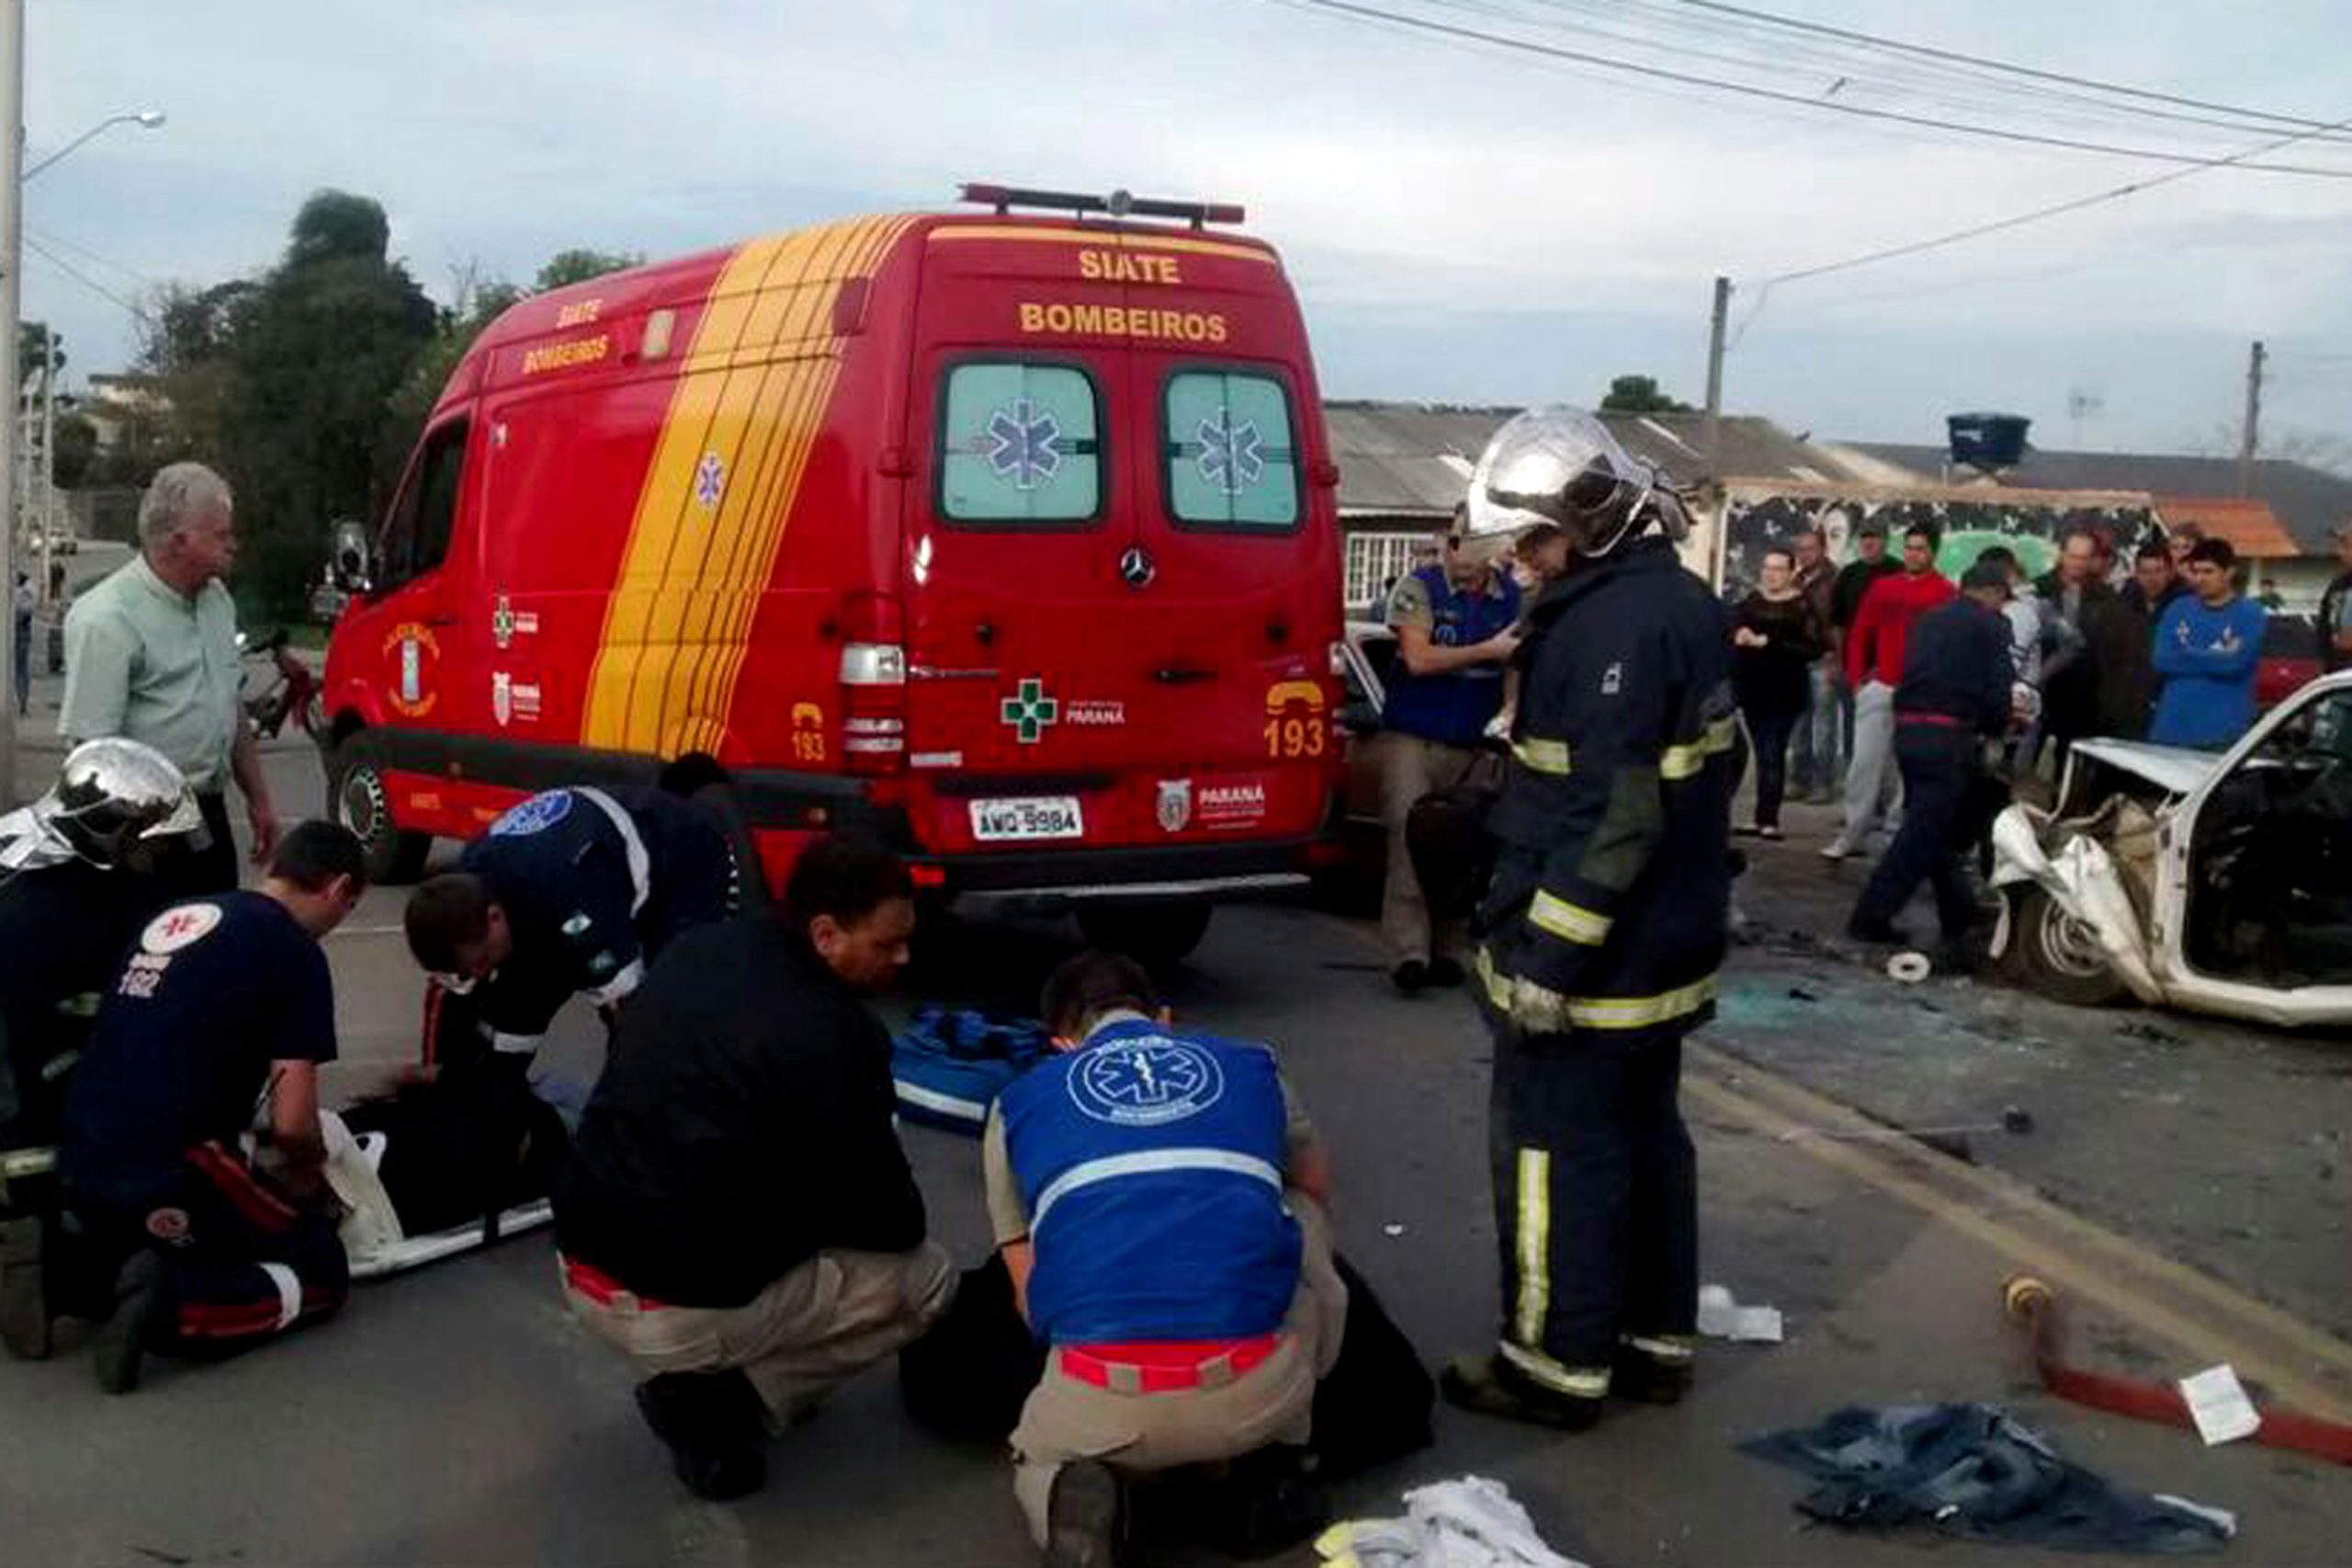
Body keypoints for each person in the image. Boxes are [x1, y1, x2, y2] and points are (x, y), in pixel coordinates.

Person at [1433, 410, 1730, 1431]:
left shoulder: (1608, 628)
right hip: (1669, 945)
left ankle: (1554, 1366)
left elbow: (1613, 813)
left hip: (1594, 958)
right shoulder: (1680, 604)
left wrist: (1550, 958)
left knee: (1554, 1152)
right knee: (1649, 1141)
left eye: (1534, 538)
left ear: (1589, 520)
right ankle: (1654, 1346)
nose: (1521, 560)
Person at [552, 834, 952, 1502]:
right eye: (887, 944)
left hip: (581, 1253)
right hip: (671, 1300)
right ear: (825, 934)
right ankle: (728, 1402)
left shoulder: (695, 949)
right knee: (928, 1278)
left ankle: (708, 1377)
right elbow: (894, 1219)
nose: (904, 957)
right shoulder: (835, 1034)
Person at [987, 952, 1346, 1565]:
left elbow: (1030, 1300)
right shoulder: (1253, 1065)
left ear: (1060, 1043)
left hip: (1102, 1402)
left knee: (1042, 1447)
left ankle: (1071, 1493)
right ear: (1165, 1018)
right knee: (1291, 1205)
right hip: (1261, 1387)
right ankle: (1278, 1458)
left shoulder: (1015, 1104)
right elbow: (1312, 1182)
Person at [58, 820, 366, 1393]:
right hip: (170, 1164)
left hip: (77, 1158)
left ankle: (77, 1276)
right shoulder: (292, 951)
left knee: (187, 1226)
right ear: (339, 889)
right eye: (345, 910)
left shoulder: (176, 916)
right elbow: (295, 1125)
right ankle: (170, 1310)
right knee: (322, 1264)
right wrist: (310, 1181)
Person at [0, 739, 202, 1360]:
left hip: (29, 1037)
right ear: (112, 831)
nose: (160, 852)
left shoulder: (25, 844)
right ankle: (50, 1268)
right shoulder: (72, 905)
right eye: (150, 838)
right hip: (25, 1055)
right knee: (43, 1147)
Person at [402, 783, 741, 1071]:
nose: (477, 974)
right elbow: (456, 997)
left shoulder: (573, 905)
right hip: (562, 878)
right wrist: (441, 1080)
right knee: (508, 1022)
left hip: (680, 863)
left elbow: (629, 1009)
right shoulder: (465, 885)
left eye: (480, 963)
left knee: (666, 1012)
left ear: (494, 918)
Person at [58, 463, 281, 895]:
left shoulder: (216, 601)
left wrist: (260, 800)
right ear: (179, 541)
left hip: (208, 816)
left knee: (213, 944)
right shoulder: (106, 618)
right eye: (220, 535)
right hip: (140, 833)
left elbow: (228, 705)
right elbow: (91, 757)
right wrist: (129, 856)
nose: (233, 545)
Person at [1376, 507, 1521, 994]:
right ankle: (1408, 955)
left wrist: (1510, 711)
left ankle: (1450, 951)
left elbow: (1515, 663)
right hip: (1415, 737)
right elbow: (1418, 659)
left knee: (1464, 849)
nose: (1459, 552)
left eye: (1471, 542)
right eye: (1454, 541)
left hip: (1473, 744)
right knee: (1409, 837)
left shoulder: (1510, 598)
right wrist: (1490, 650)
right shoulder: (1418, 588)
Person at [1846, 564, 2018, 961]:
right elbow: (1998, 692)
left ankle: (1959, 913)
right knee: (1922, 834)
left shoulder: (1931, 619)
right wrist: (1996, 731)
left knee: (1933, 826)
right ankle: (1871, 916)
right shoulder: (1990, 627)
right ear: (1992, 593)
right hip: (1949, 736)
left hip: (1908, 731)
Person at [1826, 525, 1953, 862]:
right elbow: (1860, 632)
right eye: (1909, 547)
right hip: (1880, 685)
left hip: (1921, 695)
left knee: (1906, 770)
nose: (1913, 554)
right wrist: (1856, 679)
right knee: (1864, 765)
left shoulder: (1944, 592)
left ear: (1933, 552)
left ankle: (1896, 838)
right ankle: (1853, 833)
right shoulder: (1884, 587)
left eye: (1920, 548)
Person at [1730, 547, 1827, 839]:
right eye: (1767, 568)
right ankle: (1761, 817)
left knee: (1773, 751)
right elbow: (1731, 624)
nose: (1770, 574)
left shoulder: (1802, 605)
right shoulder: (1751, 602)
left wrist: (1769, 642)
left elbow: (1814, 647)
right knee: (1762, 753)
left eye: (1778, 568)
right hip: (1752, 689)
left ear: (1791, 572)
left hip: (1784, 691)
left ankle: (1768, 818)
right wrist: (1738, 635)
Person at [2151, 538, 2267, 750]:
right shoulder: (2177, 608)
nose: (2200, 579)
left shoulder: (2249, 613)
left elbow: (2234, 664)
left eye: (2208, 571)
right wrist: (2215, 655)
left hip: (2222, 734)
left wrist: (2186, 652)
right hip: (2171, 730)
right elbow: (2161, 659)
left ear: (2229, 572)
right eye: (2196, 572)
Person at [1788, 527, 1842, 803]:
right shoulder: (1796, 580)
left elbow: (1840, 623)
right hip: (1798, 660)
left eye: (1810, 548)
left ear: (1822, 550)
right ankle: (1798, 779)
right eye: (1801, 549)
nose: (1805, 554)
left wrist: (1838, 658)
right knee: (1799, 724)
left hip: (1825, 660)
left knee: (1823, 727)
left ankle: (1822, 783)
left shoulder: (1835, 581)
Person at [2318, 520, 2352, 676]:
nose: (2340, 552)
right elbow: (2324, 629)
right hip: (2336, 679)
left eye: (2346, 546)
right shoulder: (2338, 586)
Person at [11, 570, 31, 716]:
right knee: (21, 669)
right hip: (22, 630)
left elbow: (26, 612)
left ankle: (22, 702)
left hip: (20, 630)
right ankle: (22, 702)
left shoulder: (23, 591)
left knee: (21, 668)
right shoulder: (26, 590)